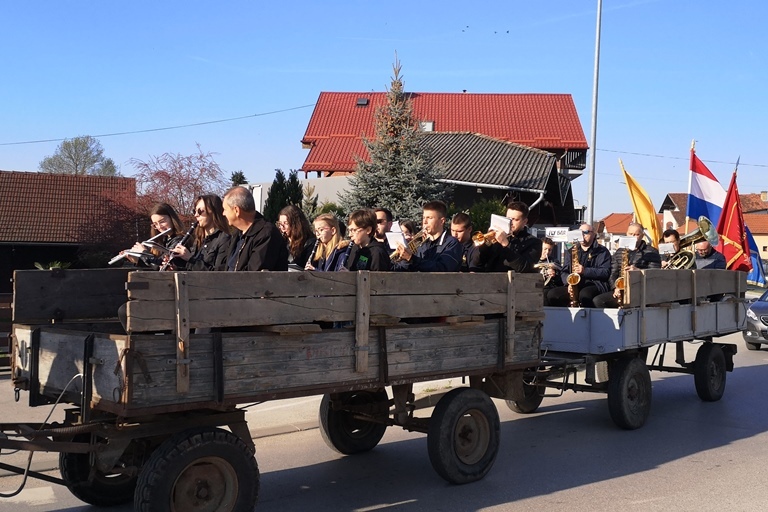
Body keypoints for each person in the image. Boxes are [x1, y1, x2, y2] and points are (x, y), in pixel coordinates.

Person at [593, 223, 661, 308]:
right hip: (621, 289)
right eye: (630, 234)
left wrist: (638, 271)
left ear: (642, 236)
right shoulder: (619, 251)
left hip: (640, 290)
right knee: (598, 301)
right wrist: (615, 287)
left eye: (636, 234)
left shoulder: (652, 252)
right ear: (626, 234)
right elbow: (613, 273)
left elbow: (655, 274)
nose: (633, 237)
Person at [221, 186, 288, 271]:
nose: (223, 213)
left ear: (236, 210)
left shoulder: (266, 234)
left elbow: (254, 277)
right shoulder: (237, 235)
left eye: (225, 209)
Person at [545, 223, 611, 307]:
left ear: (593, 234)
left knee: (585, 295)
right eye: (580, 233)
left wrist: (585, 271)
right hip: (574, 284)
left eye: (585, 232)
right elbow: (564, 271)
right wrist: (569, 283)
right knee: (553, 294)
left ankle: (586, 318)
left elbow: (605, 272)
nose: (582, 235)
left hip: (594, 283)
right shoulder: (571, 251)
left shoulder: (602, 251)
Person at [393, 200, 462, 272]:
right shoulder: (422, 243)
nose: (425, 222)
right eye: (424, 218)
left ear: (442, 221)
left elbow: (442, 268)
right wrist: (405, 259)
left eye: (429, 218)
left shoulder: (452, 243)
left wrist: (411, 258)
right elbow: (408, 269)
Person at [171, 194, 231, 271]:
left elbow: (218, 274)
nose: (196, 215)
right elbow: (191, 271)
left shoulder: (224, 239)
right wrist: (175, 268)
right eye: (194, 211)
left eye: (200, 211)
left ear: (213, 212)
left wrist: (190, 258)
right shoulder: (199, 238)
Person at [478, 200, 541, 273]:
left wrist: (506, 244)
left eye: (515, 219)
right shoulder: (498, 237)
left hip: (515, 282)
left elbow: (523, 267)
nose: (510, 222)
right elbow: (481, 260)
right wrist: (487, 243)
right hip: (491, 280)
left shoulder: (534, 242)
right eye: (508, 218)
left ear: (525, 222)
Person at [125, 203, 190, 270]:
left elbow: (161, 265)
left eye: (162, 221)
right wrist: (137, 260)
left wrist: (144, 253)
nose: (159, 227)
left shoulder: (180, 240)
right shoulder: (164, 239)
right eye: (155, 224)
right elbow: (156, 266)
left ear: (172, 219)